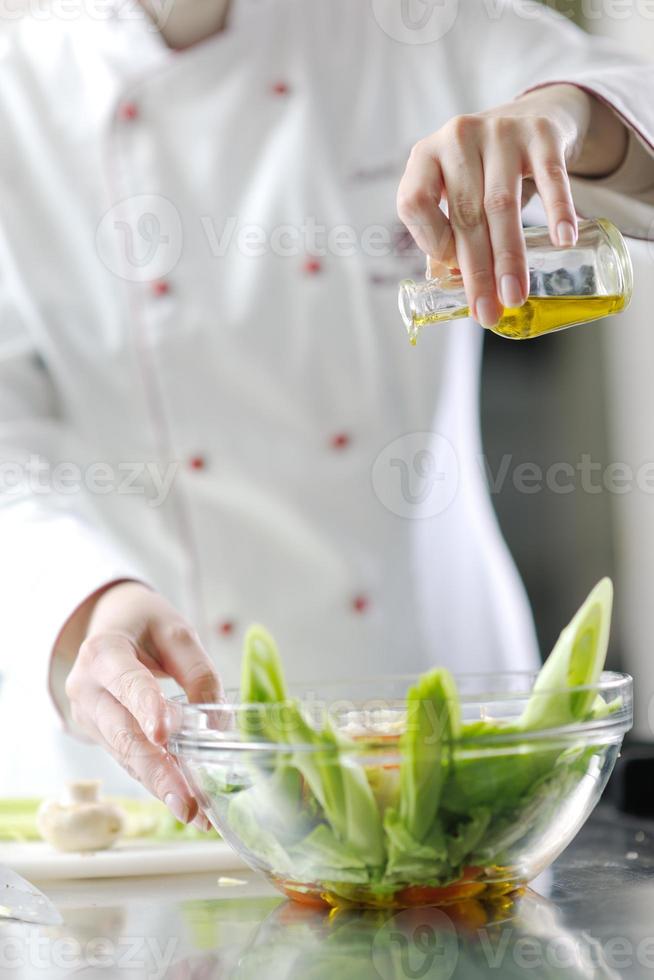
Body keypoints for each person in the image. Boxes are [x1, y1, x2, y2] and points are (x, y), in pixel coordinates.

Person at [0, 0, 652, 826]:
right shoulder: (17, 91)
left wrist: (568, 114)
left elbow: (634, 95)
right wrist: (84, 604)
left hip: (445, 725)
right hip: (153, 756)